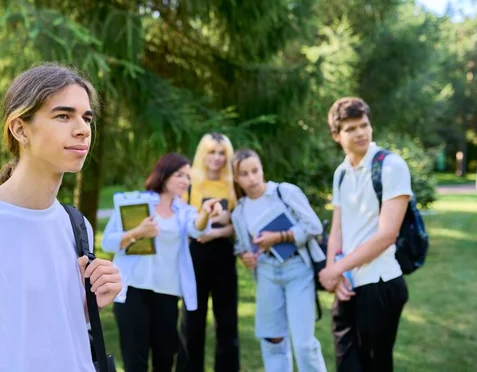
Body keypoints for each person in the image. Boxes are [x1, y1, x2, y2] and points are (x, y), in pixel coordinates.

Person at [0, 64, 123, 372]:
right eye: (63, 116)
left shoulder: (75, 225)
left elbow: (41, 334)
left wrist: (86, 307)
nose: (82, 128)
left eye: (86, 117)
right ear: (19, 128)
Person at [102, 153, 223, 372]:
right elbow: (108, 242)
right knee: (135, 361)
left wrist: (206, 212)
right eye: (179, 175)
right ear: (164, 174)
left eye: (188, 176)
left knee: (165, 359)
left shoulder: (185, 211)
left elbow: (198, 228)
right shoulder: (135, 201)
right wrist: (138, 232)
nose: (185, 181)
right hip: (133, 292)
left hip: (167, 295)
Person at [319, 97, 410, 372]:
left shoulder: (391, 166)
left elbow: (386, 235)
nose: (360, 133)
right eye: (350, 128)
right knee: (346, 363)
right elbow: (337, 228)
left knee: (375, 366)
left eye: (364, 125)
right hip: (348, 284)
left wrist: (335, 270)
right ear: (336, 135)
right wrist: (334, 271)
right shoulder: (341, 174)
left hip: (380, 282)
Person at [231, 149, 327, 372]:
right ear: (236, 178)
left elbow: (314, 226)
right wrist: (246, 257)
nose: (252, 178)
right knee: (272, 342)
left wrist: (280, 237)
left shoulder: (285, 192)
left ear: (262, 169)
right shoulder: (239, 211)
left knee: (304, 344)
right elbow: (244, 246)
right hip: (266, 273)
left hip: (297, 269)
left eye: (255, 170)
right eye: (244, 174)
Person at [177, 132, 240, 372]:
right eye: (211, 152)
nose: (217, 158)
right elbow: (181, 220)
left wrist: (220, 230)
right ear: (203, 154)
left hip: (224, 255)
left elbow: (240, 225)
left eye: (222, 153)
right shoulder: (190, 181)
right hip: (195, 255)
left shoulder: (233, 184)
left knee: (227, 322)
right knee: (192, 319)